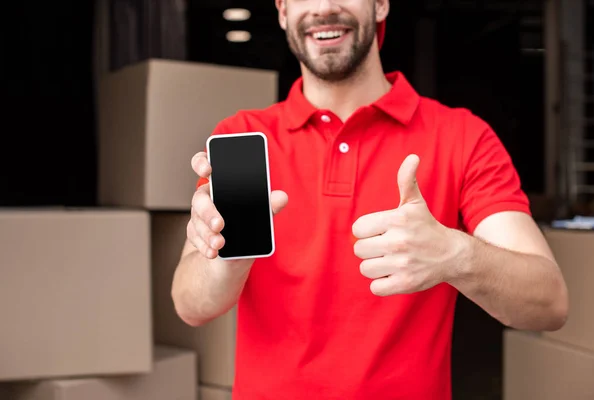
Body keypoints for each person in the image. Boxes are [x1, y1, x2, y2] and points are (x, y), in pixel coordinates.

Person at [172, 0, 569, 398]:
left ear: (380, 4)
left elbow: (549, 304)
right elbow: (191, 305)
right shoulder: (242, 135)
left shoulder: (464, 137)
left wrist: (457, 254)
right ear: (282, 11)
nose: (324, 7)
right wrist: (229, 259)